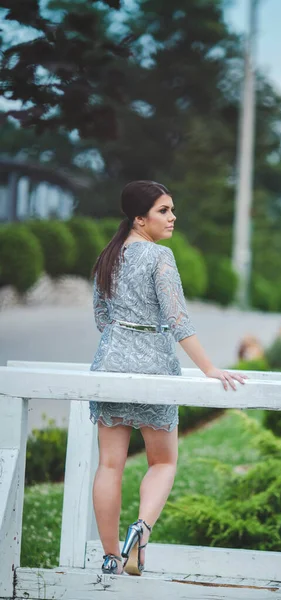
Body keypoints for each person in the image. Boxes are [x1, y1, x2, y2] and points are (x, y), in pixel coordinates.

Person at [89, 180, 247, 577]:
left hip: (110, 363)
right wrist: (210, 368)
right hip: (155, 365)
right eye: (164, 210)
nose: (173, 217)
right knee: (163, 462)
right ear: (140, 218)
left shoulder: (108, 256)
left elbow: (101, 319)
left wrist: (124, 339)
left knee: (109, 465)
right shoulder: (160, 256)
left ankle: (110, 557)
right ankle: (140, 532)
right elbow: (177, 320)